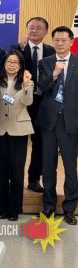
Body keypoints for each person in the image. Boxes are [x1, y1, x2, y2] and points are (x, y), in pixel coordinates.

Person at [37, 26, 78, 225]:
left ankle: (70, 208)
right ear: (52, 41)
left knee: (70, 167)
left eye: (64, 40)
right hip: (49, 121)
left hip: (71, 121)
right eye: (56, 40)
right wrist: (54, 74)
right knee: (48, 166)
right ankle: (49, 206)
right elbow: (41, 87)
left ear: (71, 41)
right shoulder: (45, 62)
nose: (60, 43)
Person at [11, 17, 54, 193]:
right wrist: (21, 49)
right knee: (17, 142)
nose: (34, 31)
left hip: (42, 103)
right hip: (21, 101)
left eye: (38, 28)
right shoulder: (17, 48)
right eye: (31, 27)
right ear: (27, 29)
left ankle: (34, 178)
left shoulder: (51, 51)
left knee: (40, 142)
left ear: (46, 31)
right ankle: (14, 179)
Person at [0, 50, 34, 221]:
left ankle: (14, 209)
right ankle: (0, 208)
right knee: (0, 170)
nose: (12, 65)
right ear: (4, 63)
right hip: (0, 129)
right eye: (9, 61)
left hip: (19, 130)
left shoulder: (27, 81)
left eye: (15, 62)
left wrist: (26, 85)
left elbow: (28, 102)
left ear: (21, 65)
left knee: (17, 171)